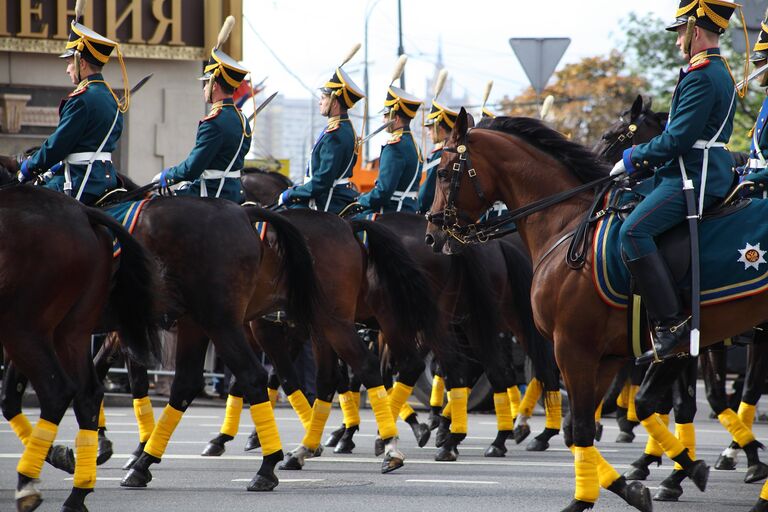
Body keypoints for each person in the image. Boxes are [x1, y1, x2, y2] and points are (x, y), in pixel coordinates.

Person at [610, 0, 740, 364]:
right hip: (689, 168)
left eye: (681, 32)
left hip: (694, 174)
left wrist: (631, 157)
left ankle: (671, 323)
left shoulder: (701, 76)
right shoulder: (713, 70)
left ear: (695, 31)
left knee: (632, 232)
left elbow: (678, 138)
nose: (678, 39)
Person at [17, 10, 130, 206]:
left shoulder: (82, 99)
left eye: (69, 63)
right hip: (106, 179)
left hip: (80, 181)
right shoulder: (112, 98)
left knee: (24, 207)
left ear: (82, 63)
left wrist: (29, 167)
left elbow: (58, 145)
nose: (67, 69)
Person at [156, 16, 250, 204]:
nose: (204, 89)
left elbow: (192, 168)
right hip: (235, 194)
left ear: (214, 85)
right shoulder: (242, 119)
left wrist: (167, 175)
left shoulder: (214, 122)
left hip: (211, 195)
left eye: (205, 84)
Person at [279, 47, 364, 213]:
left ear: (334, 102)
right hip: (331, 196)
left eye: (323, 98)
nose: (320, 102)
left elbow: (321, 182)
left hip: (326, 202)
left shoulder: (336, 134)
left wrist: (290, 194)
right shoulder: (344, 128)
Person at [357, 56, 422, 214]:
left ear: (396, 118)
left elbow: (383, 192)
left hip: (393, 211)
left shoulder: (396, 147)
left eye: (386, 115)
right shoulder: (411, 143)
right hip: (409, 209)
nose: (383, 119)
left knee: (354, 224)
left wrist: (359, 201)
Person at [418, 69, 457, 214]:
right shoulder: (450, 151)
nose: (428, 133)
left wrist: (419, 209)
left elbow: (427, 194)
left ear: (439, 127)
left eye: (430, 128)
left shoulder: (440, 155)